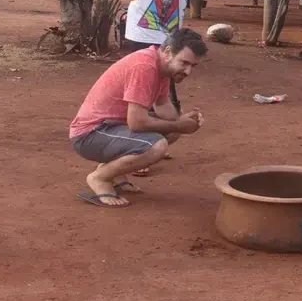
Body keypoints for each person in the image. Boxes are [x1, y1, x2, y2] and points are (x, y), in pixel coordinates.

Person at [69, 29, 208, 208]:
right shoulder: (144, 66)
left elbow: (162, 104)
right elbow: (137, 123)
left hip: (110, 128)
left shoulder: (162, 67)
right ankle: (100, 178)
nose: (188, 71)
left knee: (172, 130)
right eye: (184, 63)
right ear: (167, 52)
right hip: (90, 134)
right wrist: (180, 125)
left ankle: (116, 174)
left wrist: (184, 120)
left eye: (193, 66)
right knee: (157, 146)